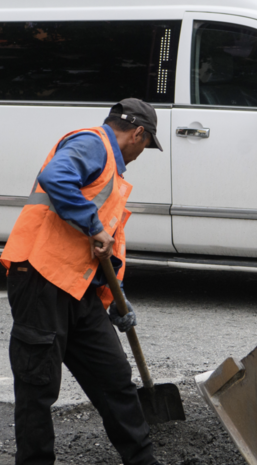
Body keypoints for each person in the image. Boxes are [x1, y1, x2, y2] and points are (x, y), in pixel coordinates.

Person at [1, 98, 164, 465]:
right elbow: (55, 178)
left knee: (115, 379)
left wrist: (116, 297)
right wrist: (91, 224)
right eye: (148, 145)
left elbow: (104, 252)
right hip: (41, 278)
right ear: (139, 133)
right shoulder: (93, 144)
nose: (143, 153)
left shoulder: (112, 174)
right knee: (38, 386)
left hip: (79, 290)